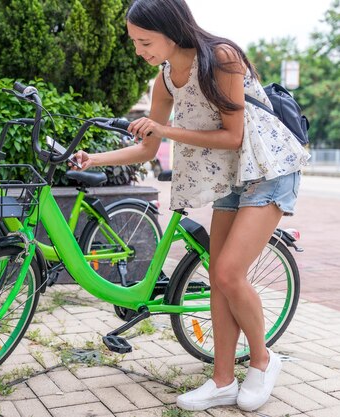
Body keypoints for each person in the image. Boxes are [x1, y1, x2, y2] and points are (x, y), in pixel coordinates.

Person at [72, 0, 309, 412]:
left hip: (269, 168)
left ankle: (263, 360)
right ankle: (221, 381)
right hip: (231, 178)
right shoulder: (163, 80)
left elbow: (234, 136)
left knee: (228, 272)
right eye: (134, 43)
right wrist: (95, 159)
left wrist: (165, 128)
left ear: (171, 30)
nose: (139, 51)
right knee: (218, 279)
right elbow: (147, 148)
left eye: (144, 41)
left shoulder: (220, 58)